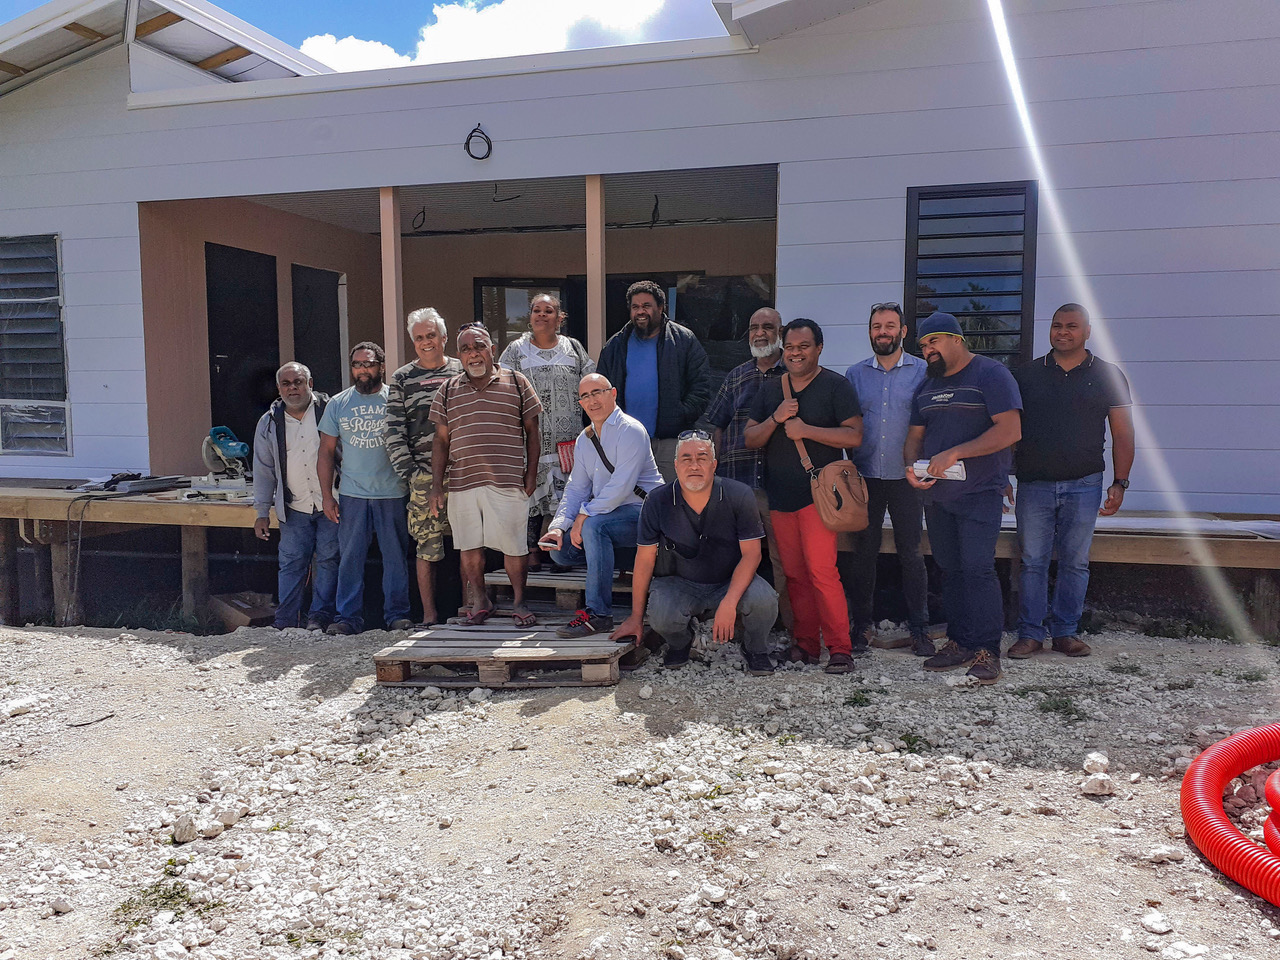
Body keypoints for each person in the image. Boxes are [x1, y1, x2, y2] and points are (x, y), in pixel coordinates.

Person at [1008, 303, 1135, 660]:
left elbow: (1123, 433)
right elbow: (1009, 430)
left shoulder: (1109, 375)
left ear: (1087, 331)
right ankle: (1030, 634)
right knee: (1032, 560)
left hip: (1085, 483)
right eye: (1057, 326)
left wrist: (1120, 482)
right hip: (1033, 484)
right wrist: (1005, 473)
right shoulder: (1026, 375)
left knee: (1075, 561)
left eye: (1072, 326)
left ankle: (1065, 632)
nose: (1063, 332)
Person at [904, 312, 1021, 684]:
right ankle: (959, 642)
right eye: (923, 345)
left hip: (980, 492)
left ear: (957, 339)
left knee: (977, 570)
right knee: (950, 570)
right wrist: (911, 468)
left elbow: (1010, 430)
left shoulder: (990, 374)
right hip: (938, 496)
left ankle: (988, 651)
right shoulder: (926, 386)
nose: (927, 350)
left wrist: (957, 452)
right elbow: (915, 439)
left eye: (933, 342)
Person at [744, 318, 863, 675]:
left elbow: (854, 437)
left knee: (822, 572)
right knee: (794, 575)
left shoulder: (836, 386)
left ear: (819, 348)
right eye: (791, 347)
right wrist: (776, 419)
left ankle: (840, 648)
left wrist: (805, 429)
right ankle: (806, 644)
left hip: (820, 497)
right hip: (780, 497)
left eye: (804, 347)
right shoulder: (771, 389)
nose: (796, 353)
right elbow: (750, 438)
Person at [611, 431, 778, 675]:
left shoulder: (739, 495)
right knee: (660, 615)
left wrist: (729, 603)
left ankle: (755, 649)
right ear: (676, 466)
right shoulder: (657, 501)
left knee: (764, 600)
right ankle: (680, 642)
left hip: (729, 580)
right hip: (681, 581)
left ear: (714, 465)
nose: (694, 465)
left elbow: (752, 554)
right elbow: (645, 559)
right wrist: (636, 617)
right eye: (687, 459)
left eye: (702, 458)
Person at [430, 323, 542, 626]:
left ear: (491, 349)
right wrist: (436, 487)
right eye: (466, 349)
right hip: (463, 481)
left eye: (479, 346)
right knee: (469, 547)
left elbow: (533, 433)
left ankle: (519, 602)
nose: (473, 353)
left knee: (514, 546)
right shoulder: (448, 389)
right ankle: (480, 601)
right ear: (459, 355)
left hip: (507, 480)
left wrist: (531, 474)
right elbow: (440, 441)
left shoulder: (517, 382)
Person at [542, 373, 664, 638]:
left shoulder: (630, 430)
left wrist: (584, 516)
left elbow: (620, 487)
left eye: (597, 392)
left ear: (613, 393)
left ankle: (599, 615)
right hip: (610, 517)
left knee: (595, 527)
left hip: (645, 514)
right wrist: (559, 526)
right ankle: (623, 565)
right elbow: (576, 487)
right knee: (560, 552)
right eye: (585, 396)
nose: (591, 400)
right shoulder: (584, 440)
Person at [841, 302, 932, 656]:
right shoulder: (855, 374)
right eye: (877, 326)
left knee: (912, 553)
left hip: (908, 476)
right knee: (864, 553)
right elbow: (848, 424)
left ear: (903, 331)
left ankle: (920, 628)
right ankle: (861, 625)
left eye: (890, 325)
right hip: (866, 477)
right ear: (869, 331)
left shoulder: (923, 372)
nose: (883, 331)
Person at [317, 342, 413, 635]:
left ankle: (397, 616)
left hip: (392, 492)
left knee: (396, 558)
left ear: (382, 367)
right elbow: (325, 453)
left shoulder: (395, 400)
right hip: (352, 493)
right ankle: (347, 618)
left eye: (369, 364)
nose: (363, 370)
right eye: (357, 364)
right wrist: (326, 496)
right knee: (350, 559)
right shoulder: (338, 403)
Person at [706, 306, 792, 629]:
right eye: (754, 327)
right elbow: (717, 424)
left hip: (778, 486)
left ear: (779, 332)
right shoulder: (736, 376)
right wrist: (715, 476)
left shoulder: (793, 374)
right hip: (737, 484)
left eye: (767, 327)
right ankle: (736, 624)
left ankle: (789, 629)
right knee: (733, 556)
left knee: (783, 560)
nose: (759, 333)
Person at [498, 293, 595, 566]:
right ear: (530, 317)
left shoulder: (574, 348)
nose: (542, 315)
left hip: (567, 443)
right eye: (536, 310)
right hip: (529, 441)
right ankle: (529, 559)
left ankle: (558, 556)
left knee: (566, 499)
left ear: (559, 318)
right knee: (530, 501)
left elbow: (590, 386)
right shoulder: (516, 351)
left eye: (548, 311)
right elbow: (503, 392)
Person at [385, 308, 463, 627]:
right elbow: (392, 430)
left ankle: (468, 611)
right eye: (419, 338)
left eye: (431, 335)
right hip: (423, 478)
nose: (426, 342)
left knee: (468, 545)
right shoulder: (402, 378)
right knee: (426, 547)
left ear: (443, 338)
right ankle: (429, 616)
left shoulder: (462, 371)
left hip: (463, 475)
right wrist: (413, 474)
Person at [595, 280, 712, 481]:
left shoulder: (684, 341)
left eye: (647, 306)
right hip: (625, 443)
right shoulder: (614, 346)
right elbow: (599, 392)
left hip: (669, 442)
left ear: (660, 308)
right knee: (628, 503)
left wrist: (680, 415)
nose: (641, 312)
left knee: (671, 501)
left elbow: (701, 387)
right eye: (635, 307)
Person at [252, 362, 338, 631]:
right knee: (290, 564)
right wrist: (262, 512)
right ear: (279, 389)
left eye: (298, 382)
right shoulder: (269, 422)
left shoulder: (329, 412)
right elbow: (264, 469)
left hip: (331, 503)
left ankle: (319, 619)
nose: (293, 388)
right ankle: (285, 622)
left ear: (309, 384)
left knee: (328, 561)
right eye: (286, 384)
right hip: (294, 506)